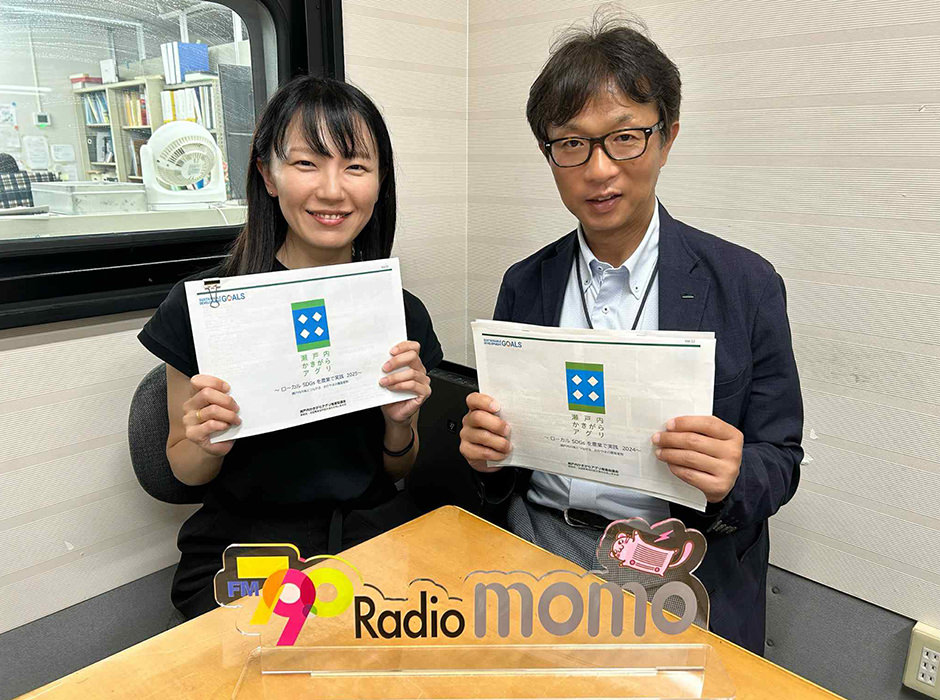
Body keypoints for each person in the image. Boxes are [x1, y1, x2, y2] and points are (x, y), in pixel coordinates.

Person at [458, 15, 802, 655]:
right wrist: (486, 456)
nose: (598, 169)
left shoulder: (746, 285)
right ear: (549, 155)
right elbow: (501, 458)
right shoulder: (524, 284)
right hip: (537, 541)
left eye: (624, 138)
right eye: (571, 143)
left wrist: (734, 475)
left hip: (676, 560)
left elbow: (781, 457)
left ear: (667, 137)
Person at [138, 75, 443, 619]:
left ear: (380, 182)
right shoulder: (203, 308)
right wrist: (207, 441)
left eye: (356, 166)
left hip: (367, 535)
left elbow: (398, 469)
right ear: (268, 175)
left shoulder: (401, 312)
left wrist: (399, 424)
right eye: (307, 163)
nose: (332, 190)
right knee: (276, 652)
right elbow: (183, 470)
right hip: (245, 546)